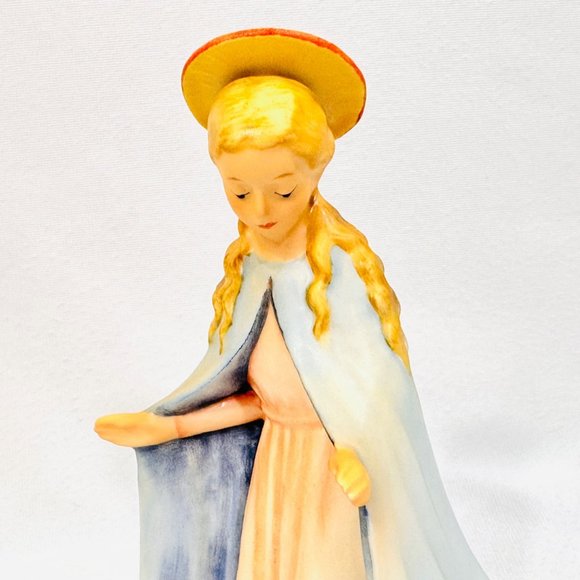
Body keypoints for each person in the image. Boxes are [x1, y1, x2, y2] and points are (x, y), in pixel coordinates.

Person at [95, 28, 489, 580]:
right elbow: (257, 398)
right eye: (238, 191)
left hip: (330, 480)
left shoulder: (337, 276)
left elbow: (377, 395)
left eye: (282, 190)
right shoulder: (249, 272)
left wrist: (359, 452)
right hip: (275, 469)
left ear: (315, 173)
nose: (259, 211)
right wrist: (170, 428)